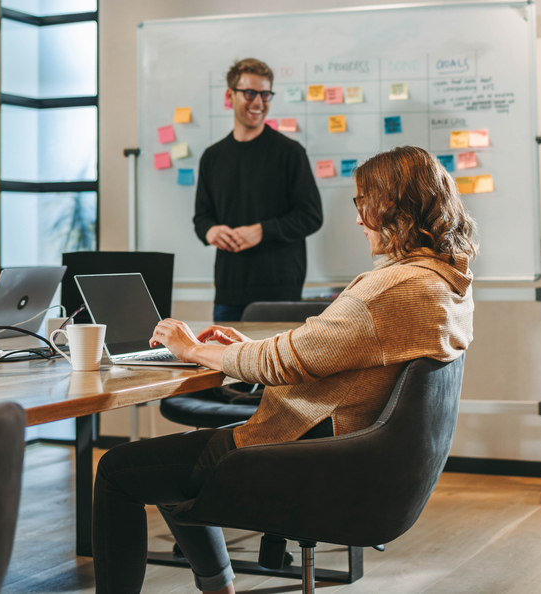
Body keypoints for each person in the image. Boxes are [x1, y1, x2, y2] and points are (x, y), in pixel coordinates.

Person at [94, 146, 476, 594]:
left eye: (363, 203)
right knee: (171, 459)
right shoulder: (445, 280)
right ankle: (219, 587)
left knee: (119, 470)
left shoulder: (391, 289)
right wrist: (245, 349)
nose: (358, 219)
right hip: (353, 453)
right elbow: (315, 348)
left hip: (307, 453)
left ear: (395, 206)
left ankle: (216, 585)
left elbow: (284, 361)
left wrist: (191, 349)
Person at [193, 58, 323, 322]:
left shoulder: (290, 152)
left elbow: (311, 216)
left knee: (278, 365)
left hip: (280, 293)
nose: (259, 103)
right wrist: (210, 231)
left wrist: (262, 231)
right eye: (250, 93)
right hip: (229, 291)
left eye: (265, 94)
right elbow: (201, 217)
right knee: (223, 363)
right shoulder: (212, 157)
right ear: (230, 96)